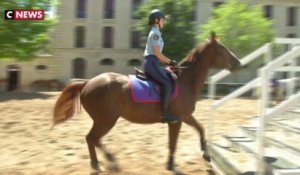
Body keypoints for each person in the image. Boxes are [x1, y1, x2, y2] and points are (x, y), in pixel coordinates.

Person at [143, 9, 179, 123]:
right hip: (151, 63)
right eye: (162, 20)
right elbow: (157, 54)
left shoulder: (156, 33)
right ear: (156, 20)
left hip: (153, 63)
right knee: (167, 83)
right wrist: (170, 62)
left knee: (167, 78)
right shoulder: (155, 34)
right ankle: (165, 115)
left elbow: (157, 55)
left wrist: (167, 63)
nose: (164, 22)